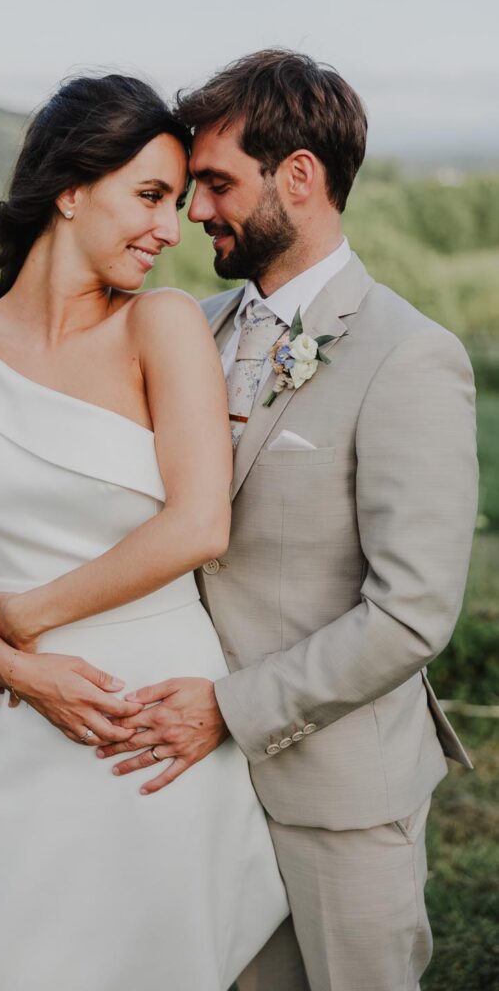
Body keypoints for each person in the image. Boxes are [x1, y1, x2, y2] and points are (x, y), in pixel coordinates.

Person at [0, 73, 288, 991]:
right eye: (149, 194)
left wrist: (25, 618)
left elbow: (198, 524)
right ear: (70, 188)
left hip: (150, 718)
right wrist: (15, 668)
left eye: (180, 199)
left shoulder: (162, 324)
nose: (169, 224)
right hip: (22, 723)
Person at [97, 50, 479, 990]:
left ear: (298, 177)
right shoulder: (186, 327)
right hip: (192, 788)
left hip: (338, 795)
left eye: (217, 185)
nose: (193, 214)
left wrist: (226, 710)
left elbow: (409, 614)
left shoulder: (410, 356)